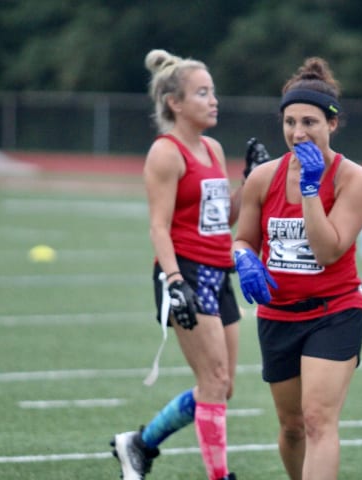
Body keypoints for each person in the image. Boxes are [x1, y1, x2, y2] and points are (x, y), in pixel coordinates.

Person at [109, 49, 268, 480]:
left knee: (222, 386)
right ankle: (220, 476)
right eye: (202, 93)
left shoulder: (213, 148)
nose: (213, 100)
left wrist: (249, 180)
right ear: (174, 103)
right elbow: (159, 227)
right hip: (186, 274)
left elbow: (222, 218)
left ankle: (140, 445)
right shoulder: (166, 153)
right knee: (213, 381)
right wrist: (175, 281)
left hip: (218, 273)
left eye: (212, 92)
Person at [232, 57, 362, 480]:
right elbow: (243, 239)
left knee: (317, 420)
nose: (298, 133)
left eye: (309, 122)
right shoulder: (263, 178)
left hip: (334, 312)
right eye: (289, 122)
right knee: (292, 427)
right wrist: (244, 259)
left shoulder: (353, 179)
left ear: (332, 123)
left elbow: (328, 251)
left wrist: (311, 190)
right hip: (278, 315)